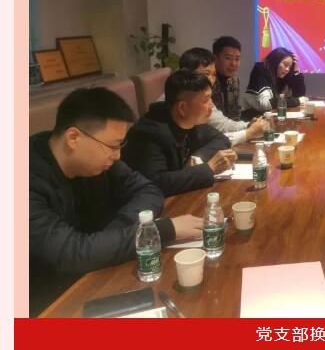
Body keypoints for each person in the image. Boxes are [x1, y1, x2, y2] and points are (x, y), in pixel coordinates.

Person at [30, 88, 203, 316]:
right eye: (113, 146)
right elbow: (68, 253)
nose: (118, 155)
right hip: (49, 301)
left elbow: (148, 189)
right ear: (73, 137)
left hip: (98, 273)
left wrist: (112, 236)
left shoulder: (100, 160)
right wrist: (160, 230)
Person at [122, 69, 237, 197]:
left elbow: (221, 139)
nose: (211, 106)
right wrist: (210, 168)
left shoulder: (189, 120)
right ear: (182, 108)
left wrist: (196, 158)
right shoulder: (149, 134)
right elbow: (156, 183)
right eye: (205, 100)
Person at [175, 48, 268, 146]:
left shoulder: (208, 93)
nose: (211, 80)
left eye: (214, 75)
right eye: (206, 74)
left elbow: (222, 125)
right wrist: (248, 133)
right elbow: (203, 144)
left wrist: (249, 125)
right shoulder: (181, 100)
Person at [242, 46, 306, 117]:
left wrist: (296, 71)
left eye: (290, 67)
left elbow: (300, 95)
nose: (287, 69)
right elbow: (265, 104)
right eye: (285, 64)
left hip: (266, 116)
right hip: (250, 118)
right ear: (275, 61)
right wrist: (297, 101)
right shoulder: (260, 70)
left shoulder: (279, 76)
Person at [212, 36, 245, 121]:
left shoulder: (234, 80)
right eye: (228, 58)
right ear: (215, 58)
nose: (233, 63)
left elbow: (235, 112)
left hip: (231, 126)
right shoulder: (208, 81)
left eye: (237, 59)